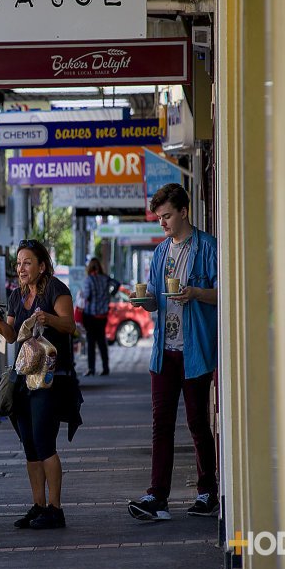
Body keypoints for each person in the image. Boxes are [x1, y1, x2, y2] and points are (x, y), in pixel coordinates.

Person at [126, 183, 219, 521]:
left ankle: (207, 491)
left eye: (166, 216)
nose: (162, 223)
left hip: (195, 351)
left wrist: (194, 292)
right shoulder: (161, 252)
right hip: (164, 351)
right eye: (158, 218)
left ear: (184, 211)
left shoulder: (208, 247)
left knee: (197, 422)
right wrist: (144, 301)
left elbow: (222, 293)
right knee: (160, 424)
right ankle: (157, 496)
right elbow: (154, 297)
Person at [0, 239, 82, 530]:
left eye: (27, 263)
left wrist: (46, 317)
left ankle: (55, 508)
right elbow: (11, 336)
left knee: (44, 443)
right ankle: (38, 505)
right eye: (19, 263)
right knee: (29, 447)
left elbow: (70, 326)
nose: (21, 268)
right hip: (24, 380)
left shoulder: (56, 290)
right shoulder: (16, 296)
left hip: (50, 380)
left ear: (41, 266)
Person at [81, 257, 120, 377]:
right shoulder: (105, 278)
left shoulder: (88, 280)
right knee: (102, 341)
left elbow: (87, 296)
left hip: (91, 315)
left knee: (91, 342)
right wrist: (110, 294)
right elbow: (117, 284)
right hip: (103, 315)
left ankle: (91, 369)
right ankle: (105, 367)